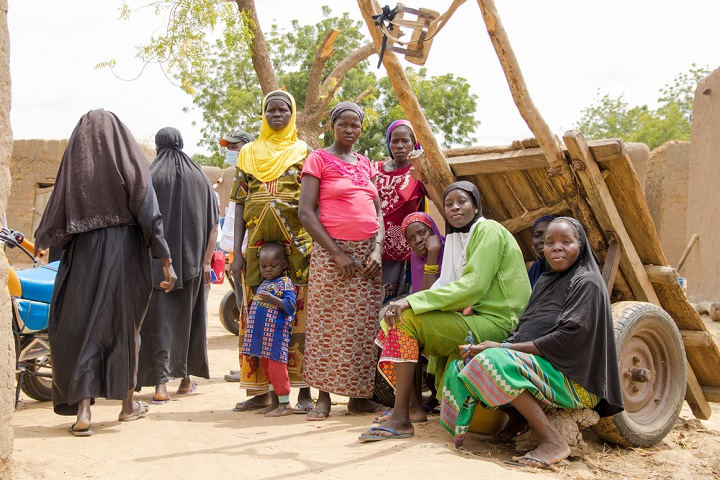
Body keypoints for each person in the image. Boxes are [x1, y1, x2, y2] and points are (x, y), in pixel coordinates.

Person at [34, 109, 177, 436]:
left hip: (84, 256)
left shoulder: (75, 167)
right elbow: (148, 211)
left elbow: (57, 212)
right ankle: (127, 406)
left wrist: (45, 242)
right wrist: (166, 259)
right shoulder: (131, 162)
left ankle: (84, 412)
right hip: (126, 254)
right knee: (125, 328)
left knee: (84, 327)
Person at [441, 217, 623, 468]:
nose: (556, 248)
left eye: (566, 242)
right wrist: (487, 346)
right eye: (550, 243)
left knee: (493, 363)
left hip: (575, 379)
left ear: (580, 245)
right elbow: (525, 328)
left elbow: (567, 339)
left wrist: (502, 348)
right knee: (464, 366)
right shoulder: (547, 281)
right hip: (545, 367)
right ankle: (518, 422)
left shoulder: (587, 282)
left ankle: (553, 441)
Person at [359, 181, 531, 441]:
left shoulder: (488, 230)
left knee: (404, 319)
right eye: (448, 204)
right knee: (397, 320)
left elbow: (473, 286)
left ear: (476, 206)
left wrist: (412, 301)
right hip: (475, 316)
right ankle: (407, 410)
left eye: (462, 201)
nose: (454, 208)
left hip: (499, 321)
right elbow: (448, 286)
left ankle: (402, 415)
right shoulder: (457, 240)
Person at [298, 101, 386, 421]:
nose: (350, 130)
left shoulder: (365, 164)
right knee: (326, 325)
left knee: (362, 329)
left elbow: (378, 211)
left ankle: (359, 397)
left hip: (367, 256)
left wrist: (377, 249)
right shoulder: (318, 159)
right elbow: (306, 212)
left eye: (356, 125)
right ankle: (322, 397)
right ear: (332, 126)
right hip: (332, 253)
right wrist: (336, 252)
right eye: (343, 124)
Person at [228, 91, 313, 413]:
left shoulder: (303, 151)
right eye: (271, 109)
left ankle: (303, 391)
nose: (277, 114)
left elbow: (313, 199)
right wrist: (236, 251)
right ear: (264, 114)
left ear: (292, 114)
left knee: (299, 317)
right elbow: (238, 202)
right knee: (255, 315)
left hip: (298, 246)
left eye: (283, 109)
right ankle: (261, 390)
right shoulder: (248, 153)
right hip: (257, 251)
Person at [135, 127, 218, 403]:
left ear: (158, 146)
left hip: (157, 264)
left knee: (159, 322)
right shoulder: (202, 178)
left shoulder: (150, 175)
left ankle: (160, 386)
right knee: (189, 320)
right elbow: (213, 227)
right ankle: (185, 380)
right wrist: (206, 262)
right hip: (194, 263)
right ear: (181, 143)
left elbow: (143, 222)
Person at [241, 242, 297, 417]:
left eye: (273, 266)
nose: (268, 270)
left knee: (277, 370)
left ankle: (285, 404)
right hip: (263, 337)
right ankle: (274, 403)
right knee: (267, 370)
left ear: (284, 265)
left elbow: (290, 306)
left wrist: (273, 299)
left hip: (276, 336)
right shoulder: (263, 283)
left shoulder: (285, 283)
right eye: (263, 266)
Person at [376, 120, 426, 301]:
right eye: (394, 141)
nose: (399, 146)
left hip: (403, 254)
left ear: (413, 143)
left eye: (405, 141)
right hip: (374, 251)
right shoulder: (374, 169)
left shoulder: (418, 173)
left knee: (397, 306)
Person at [218, 130, 254, 383]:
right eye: (228, 147)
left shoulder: (254, 176)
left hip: (249, 256)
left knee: (250, 312)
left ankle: (250, 368)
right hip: (236, 256)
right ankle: (244, 365)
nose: (230, 151)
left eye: (235, 146)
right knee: (244, 312)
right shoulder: (237, 178)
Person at [401, 212, 444, 293]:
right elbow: (425, 297)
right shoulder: (415, 257)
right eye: (411, 238)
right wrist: (432, 254)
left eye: (422, 232)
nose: (417, 240)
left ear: (433, 230)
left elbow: (432, 295)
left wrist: (433, 253)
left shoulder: (449, 252)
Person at [527, 215, 556, 287]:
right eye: (537, 235)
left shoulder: (572, 270)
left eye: (548, 234)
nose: (543, 240)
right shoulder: (535, 269)